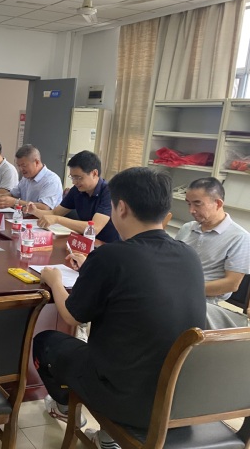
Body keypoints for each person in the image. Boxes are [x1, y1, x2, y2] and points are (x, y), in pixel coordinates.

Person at [34, 167, 206, 447]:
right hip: (179, 398)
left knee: (46, 343)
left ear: (121, 208)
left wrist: (54, 281)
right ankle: (105, 437)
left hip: (125, 399)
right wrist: (90, 266)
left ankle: (65, 407)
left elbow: (71, 315)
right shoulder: (189, 255)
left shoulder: (111, 256)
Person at [176, 177, 250, 328]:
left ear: (218, 204)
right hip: (175, 294)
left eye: (197, 204)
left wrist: (185, 290)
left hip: (202, 303)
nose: (191, 210)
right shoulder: (187, 228)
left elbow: (231, 284)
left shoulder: (239, 237)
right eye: (189, 204)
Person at [27, 150, 119, 243]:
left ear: (94, 173)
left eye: (78, 177)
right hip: (84, 241)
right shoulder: (77, 190)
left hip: (106, 244)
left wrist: (58, 219)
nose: (74, 182)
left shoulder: (109, 191)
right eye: (72, 177)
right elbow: (55, 213)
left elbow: (94, 228)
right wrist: (35, 211)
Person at [0, 144, 62, 210]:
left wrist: (16, 202)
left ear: (36, 162)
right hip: (25, 218)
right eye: (18, 165)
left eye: (24, 165)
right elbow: (13, 194)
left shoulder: (51, 180)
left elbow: (45, 207)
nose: (20, 169)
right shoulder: (26, 178)